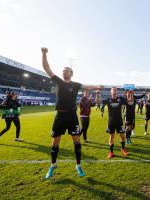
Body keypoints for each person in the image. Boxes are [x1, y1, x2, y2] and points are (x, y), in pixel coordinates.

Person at [41, 47, 101, 179]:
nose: (64, 72)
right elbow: (46, 67)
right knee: (55, 143)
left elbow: (86, 87)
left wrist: (97, 87)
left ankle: (78, 165)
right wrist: (44, 53)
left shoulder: (75, 84)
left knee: (77, 142)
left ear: (71, 73)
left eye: (66, 71)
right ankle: (53, 165)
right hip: (60, 116)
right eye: (63, 71)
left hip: (72, 116)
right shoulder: (58, 81)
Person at [101, 87, 128, 159]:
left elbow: (128, 101)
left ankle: (123, 149)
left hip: (119, 121)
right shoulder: (108, 99)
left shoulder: (121, 99)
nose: (114, 91)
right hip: (111, 121)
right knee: (111, 137)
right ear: (111, 92)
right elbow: (98, 102)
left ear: (117, 91)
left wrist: (128, 94)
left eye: (115, 90)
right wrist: (97, 95)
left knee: (122, 136)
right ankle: (111, 152)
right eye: (113, 90)